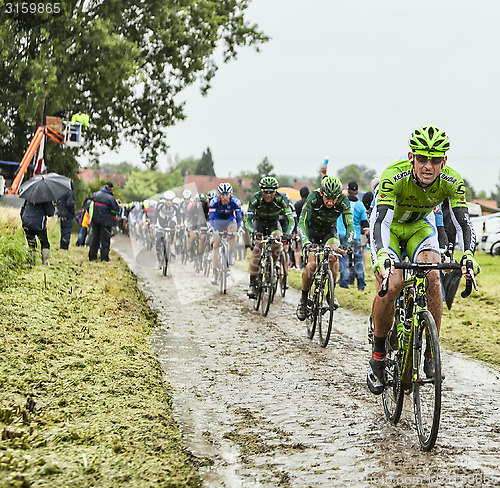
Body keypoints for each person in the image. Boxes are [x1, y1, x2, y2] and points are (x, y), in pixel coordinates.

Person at [367, 125, 480, 395]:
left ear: (444, 161)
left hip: (419, 227)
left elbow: (463, 222)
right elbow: (381, 220)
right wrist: (383, 254)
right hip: (390, 229)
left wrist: (468, 255)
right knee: (391, 284)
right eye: (422, 159)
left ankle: (430, 354)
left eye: (435, 160)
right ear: (411, 157)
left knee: (432, 273)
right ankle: (378, 358)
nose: (428, 166)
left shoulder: (452, 180)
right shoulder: (394, 176)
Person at [296, 176, 354, 320]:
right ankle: (303, 300)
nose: (330, 202)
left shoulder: (343, 201)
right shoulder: (313, 198)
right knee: (311, 266)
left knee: (334, 255)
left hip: (329, 231)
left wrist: (348, 243)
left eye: (334, 199)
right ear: (322, 193)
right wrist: (306, 242)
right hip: (311, 232)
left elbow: (350, 225)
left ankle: (330, 293)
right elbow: (302, 222)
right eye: (328, 198)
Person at [245, 176, 294, 298]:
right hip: (259, 223)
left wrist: (287, 233)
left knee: (277, 243)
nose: (268, 194)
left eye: (271, 191)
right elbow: (248, 220)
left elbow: (290, 219)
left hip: (273, 224)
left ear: (275, 191)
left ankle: (272, 265)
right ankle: (252, 283)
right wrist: (253, 231)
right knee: (257, 248)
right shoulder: (255, 199)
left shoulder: (281, 199)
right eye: (265, 191)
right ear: (261, 191)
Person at [208, 183, 243, 285]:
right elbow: (211, 218)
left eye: (226, 194)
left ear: (230, 194)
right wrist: (211, 228)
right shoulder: (214, 202)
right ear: (219, 195)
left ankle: (230, 252)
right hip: (217, 221)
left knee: (233, 232)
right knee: (216, 244)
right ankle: (214, 272)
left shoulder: (235, 201)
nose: (224, 197)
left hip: (229, 221)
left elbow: (239, 218)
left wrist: (240, 227)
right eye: (222, 195)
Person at [336, 181, 369, 290]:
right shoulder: (361, 206)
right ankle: (360, 284)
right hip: (356, 236)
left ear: (348, 190)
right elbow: (364, 223)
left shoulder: (342, 203)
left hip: (342, 234)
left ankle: (344, 283)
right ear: (357, 192)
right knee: (358, 261)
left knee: (343, 259)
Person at [88, 182, 120, 262]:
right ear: (111, 189)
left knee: (95, 239)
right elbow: (116, 211)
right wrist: (117, 205)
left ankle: (92, 256)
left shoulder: (96, 195)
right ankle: (104, 258)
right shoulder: (110, 198)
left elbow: (89, 204)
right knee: (105, 240)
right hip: (106, 223)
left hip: (95, 221)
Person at [20, 199, 55, 265]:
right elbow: (50, 212)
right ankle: (45, 262)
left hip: (26, 221)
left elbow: (22, 211)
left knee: (31, 243)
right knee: (45, 243)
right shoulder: (46, 197)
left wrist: (25, 219)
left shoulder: (29, 196)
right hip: (39, 223)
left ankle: (31, 262)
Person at [152, 191, 179, 265]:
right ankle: (158, 253)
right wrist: (154, 224)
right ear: (165, 200)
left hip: (171, 219)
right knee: (159, 237)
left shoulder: (176, 205)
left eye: (171, 200)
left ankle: (170, 244)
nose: (169, 202)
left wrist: (179, 224)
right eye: (167, 200)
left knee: (173, 227)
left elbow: (178, 216)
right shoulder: (160, 204)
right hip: (161, 220)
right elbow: (155, 215)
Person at [293, 186, 310, 269]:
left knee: (298, 248)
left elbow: (295, 218)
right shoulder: (310, 203)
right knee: (307, 247)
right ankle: (305, 264)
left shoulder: (297, 204)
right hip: (309, 228)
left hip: (299, 227)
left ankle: (297, 265)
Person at [57, 182, 75, 250]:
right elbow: (70, 203)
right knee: (67, 231)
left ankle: (62, 245)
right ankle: (65, 247)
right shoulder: (69, 193)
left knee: (63, 231)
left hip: (62, 214)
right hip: (68, 215)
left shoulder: (62, 192)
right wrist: (72, 212)